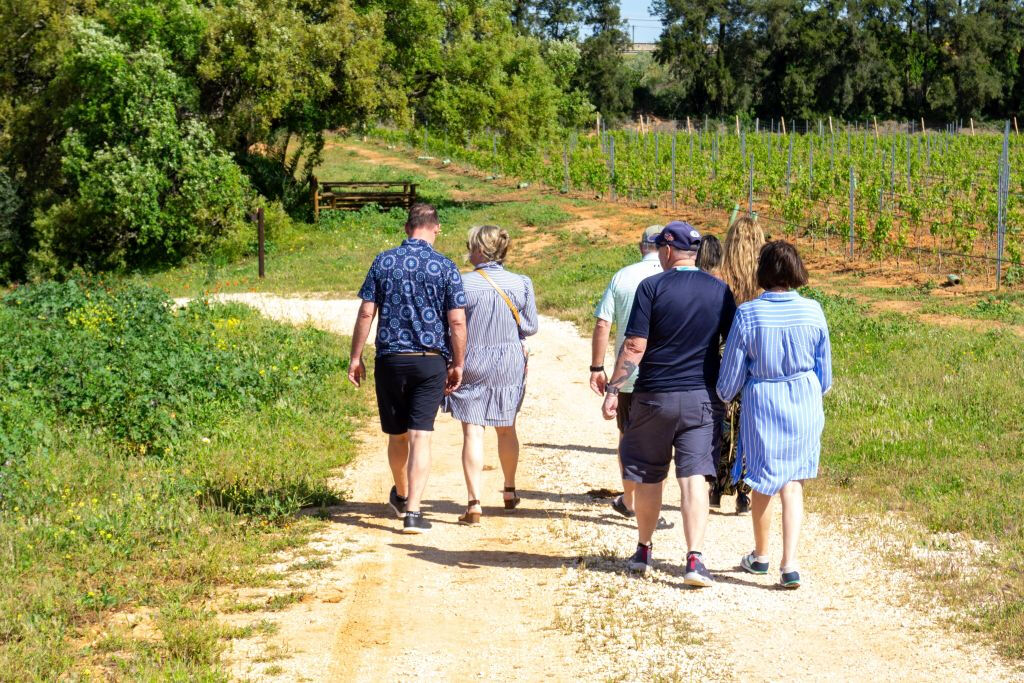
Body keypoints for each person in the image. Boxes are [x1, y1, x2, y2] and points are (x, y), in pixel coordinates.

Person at [602, 222, 736, 587]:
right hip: (701, 399)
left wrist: (614, 389)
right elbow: (732, 344)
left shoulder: (652, 287)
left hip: (654, 397)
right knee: (694, 477)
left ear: (666, 250)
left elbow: (634, 346)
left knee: (648, 473)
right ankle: (694, 559)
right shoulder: (720, 291)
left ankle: (644, 550)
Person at [716, 241, 832, 589]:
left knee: (764, 479)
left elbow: (732, 372)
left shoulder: (749, 314)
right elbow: (824, 375)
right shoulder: (813, 311)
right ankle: (790, 564)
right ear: (797, 270)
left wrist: (724, 395)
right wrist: (813, 390)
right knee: (793, 482)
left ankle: (761, 555)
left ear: (762, 271)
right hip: (805, 399)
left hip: (764, 400)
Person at [348, 203, 467, 534]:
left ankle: (400, 494)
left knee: (397, 435)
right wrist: (458, 363)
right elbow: (457, 320)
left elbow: (365, 314)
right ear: (436, 228)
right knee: (421, 437)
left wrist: (355, 357)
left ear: (406, 227)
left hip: (390, 360)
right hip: (430, 361)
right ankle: (413, 511)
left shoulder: (383, 261)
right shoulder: (445, 267)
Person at [446, 225, 538, 525]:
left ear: (479, 250)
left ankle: (474, 502)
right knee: (506, 426)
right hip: (509, 359)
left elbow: (454, 325)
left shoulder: (462, 283)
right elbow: (531, 327)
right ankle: (509, 490)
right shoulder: (521, 282)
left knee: (472, 430)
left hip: (472, 357)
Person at [590, 225, 664, 519]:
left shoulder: (623, 276)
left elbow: (602, 324)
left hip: (628, 374)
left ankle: (630, 499)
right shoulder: (674, 277)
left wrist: (597, 367)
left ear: (641, 246)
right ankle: (652, 501)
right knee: (659, 440)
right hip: (664, 374)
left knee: (627, 436)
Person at [711, 215, 766, 514]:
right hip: (756, 358)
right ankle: (745, 491)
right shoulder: (764, 279)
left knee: (723, 420)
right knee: (750, 424)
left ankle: (717, 488)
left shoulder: (720, 277)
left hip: (725, 355)